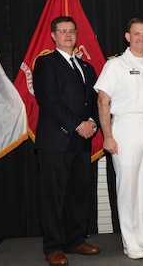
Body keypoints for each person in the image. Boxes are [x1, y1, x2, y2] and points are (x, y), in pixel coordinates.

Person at [94, 17, 143, 259]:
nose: (141, 38)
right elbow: (102, 101)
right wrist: (107, 136)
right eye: (136, 34)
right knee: (127, 188)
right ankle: (130, 241)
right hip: (125, 127)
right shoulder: (115, 65)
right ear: (128, 37)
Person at [33, 16, 101, 266]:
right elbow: (49, 101)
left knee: (78, 194)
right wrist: (76, 124)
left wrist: (92, 123)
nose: (68, 35)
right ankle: (53, 246)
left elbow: (95, 102)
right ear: (53, 35)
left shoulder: (86, 68)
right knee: (54, 197)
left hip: (81, 142)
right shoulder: (45, 63)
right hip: (55, 142)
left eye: (71, 31)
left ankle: (75, 240)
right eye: (62, 31)